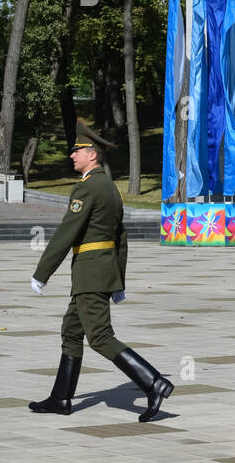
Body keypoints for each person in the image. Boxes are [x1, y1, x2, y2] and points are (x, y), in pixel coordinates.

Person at [28, 128, 174, 422]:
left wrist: (42, 272)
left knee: (100, 337)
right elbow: (121, 237)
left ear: (92, 155)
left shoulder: (87, 187)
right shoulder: (110, 187)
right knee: (71, 331)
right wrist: (119, 278)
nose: (72, 155)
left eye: (76, 151)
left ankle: (154, 382)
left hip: (90, 273)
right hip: (102, 270)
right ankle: (61, 398)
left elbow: (67, 232)